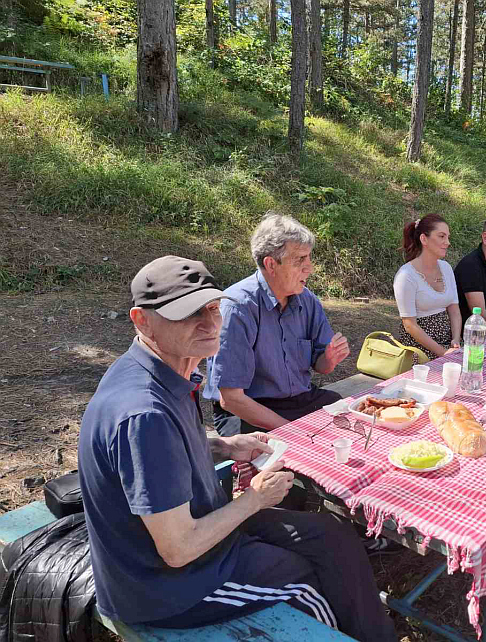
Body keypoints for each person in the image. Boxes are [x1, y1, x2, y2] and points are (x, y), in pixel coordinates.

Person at [77, 256, 396, 641]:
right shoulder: (145, 413)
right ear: (142, 320)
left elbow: (160, 455)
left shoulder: (161, 370)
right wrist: (255, 500)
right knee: (306, 580)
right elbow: (178, 549)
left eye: (213, 307)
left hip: (202, 533)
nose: (210, 324)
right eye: (187, 314)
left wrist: (224, 445)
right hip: (167, 588)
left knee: (330, 536)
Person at [204, 213, 350, 437]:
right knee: (282, 458)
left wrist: (328, 359)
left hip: (299, 401)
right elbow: (231, 399)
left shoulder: (307, 300)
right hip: (248, 410)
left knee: (348, 418)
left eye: (309, 258)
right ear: (271, 264)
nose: (309, 268)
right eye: (300, 259)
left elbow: (322, 366)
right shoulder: (238, 308)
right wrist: (291, 432)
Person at [393, 214, 462, 359]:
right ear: (424, 239)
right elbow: (410, 325)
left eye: (448, 237)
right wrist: (442, 353)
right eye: (441, 236)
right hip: (419, 348)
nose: (447, 242)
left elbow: (454, 310)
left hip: (448, 344)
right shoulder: (406, 275)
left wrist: (455, 340)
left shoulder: (446, 268)